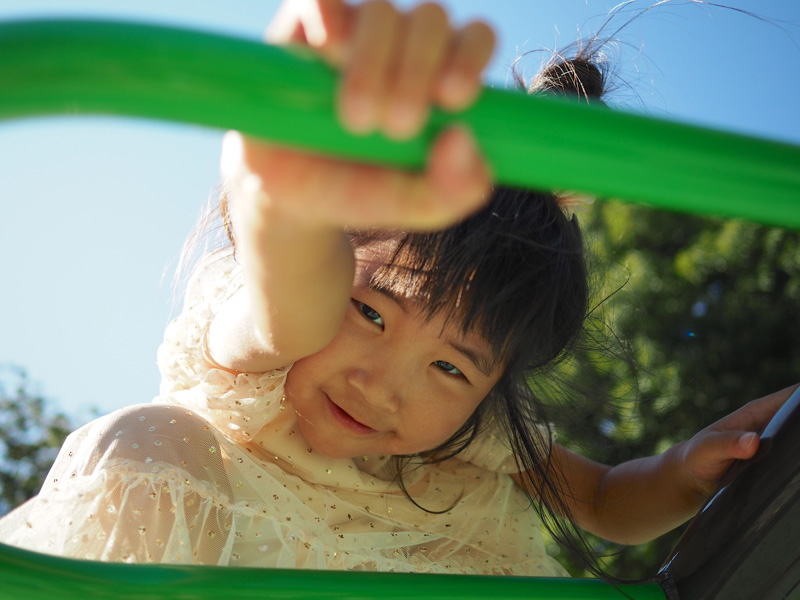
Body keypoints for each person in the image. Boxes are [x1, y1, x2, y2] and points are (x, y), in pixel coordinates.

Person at [0, 0, 794, 577]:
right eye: (370, 310)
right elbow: (291, 302)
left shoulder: (471, 444)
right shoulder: (261, 362)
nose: (384, 388)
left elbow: (609, 504)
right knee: (151, 439)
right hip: (208, 564)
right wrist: (283, 191)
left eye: (453, 368)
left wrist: (689, 468)